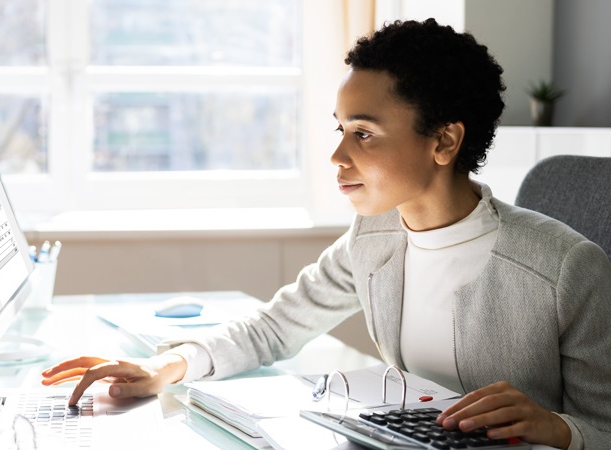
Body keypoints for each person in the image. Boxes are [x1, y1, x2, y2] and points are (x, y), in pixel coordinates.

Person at [41, 19, 611, 449]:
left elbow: (603, 425)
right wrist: (168, 367)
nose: (337, 155)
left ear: (443, 142)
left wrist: (557, 429)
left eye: (363, 133)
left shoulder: (566, 269)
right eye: (340, 129)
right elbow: (273, 328)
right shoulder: (374, 236)